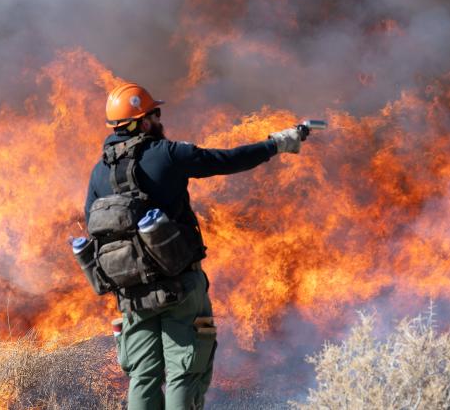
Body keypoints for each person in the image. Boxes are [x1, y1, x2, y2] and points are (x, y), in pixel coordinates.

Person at [83, 83, 302, 409]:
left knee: (143, 375)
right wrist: (275, 145)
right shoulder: (166, 154)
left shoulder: (99, 172)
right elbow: (227, 160)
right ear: (143, 122)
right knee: (185, 369)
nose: (159, 120)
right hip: (180, 285)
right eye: (155, 114)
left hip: (132, 293)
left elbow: (91, 224)